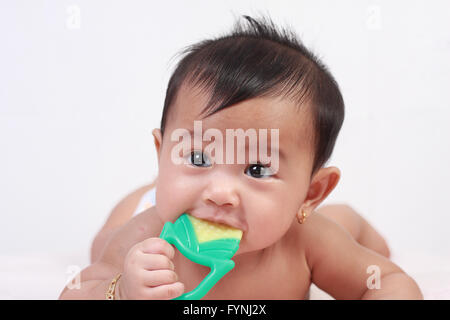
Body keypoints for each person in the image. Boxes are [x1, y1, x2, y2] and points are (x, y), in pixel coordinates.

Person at [59, 14, 422, 300]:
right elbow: (77, 291)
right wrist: (120, 292)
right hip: (149, 205)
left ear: (311, 193)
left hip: (302, 219)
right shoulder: (146, 235)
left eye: (257, 169)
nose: (220, 192)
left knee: (348, 230)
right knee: (101, 245)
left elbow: (386, 281)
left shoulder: (308, 240)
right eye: (199, 158)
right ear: (162, 153)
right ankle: (152, 189)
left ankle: (347, 217)